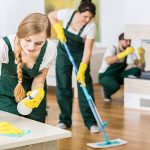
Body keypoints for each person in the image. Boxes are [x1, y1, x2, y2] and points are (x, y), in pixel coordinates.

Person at [48, 0, 99, 133]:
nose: (87, 20)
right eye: (85, 16)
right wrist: (58, 28)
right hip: (63, 51)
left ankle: (91, 122)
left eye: (90, 17)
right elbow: (51, 15)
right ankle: (64, 120)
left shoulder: (91, 26)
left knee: (84, 85)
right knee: (63, 84)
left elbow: (88, 50)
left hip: (79, 54)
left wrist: (82, 69)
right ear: (78, 12)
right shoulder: (67, 14)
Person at [0, 13, 56, 123]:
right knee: (9, 127)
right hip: (6, 96)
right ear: (20, 35)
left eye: (39, 43)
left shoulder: (50, 49)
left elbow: (39, 79)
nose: (31, 48)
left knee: (36, 130)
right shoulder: (4, 46)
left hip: (32, 97)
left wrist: (37, 94)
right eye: (28, 40)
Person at [98, 33, 141, 103]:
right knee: (115, 86)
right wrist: (124, 54)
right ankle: (107, 92)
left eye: (130, 41)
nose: (129, 43)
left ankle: (128, 93)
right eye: (126, 41)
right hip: (105, 76)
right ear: (120, 41)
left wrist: (142, 56)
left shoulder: (129, 51)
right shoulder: (113, 48)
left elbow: (139, 67)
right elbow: (108, 61)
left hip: (118, 75)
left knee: (136, 70)